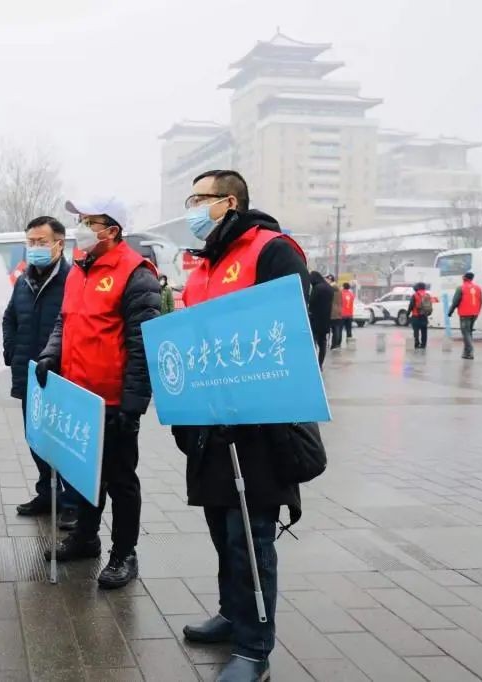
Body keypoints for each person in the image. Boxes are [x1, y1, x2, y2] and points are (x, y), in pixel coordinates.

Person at [171, 170, 309, 682]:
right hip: (209, 424)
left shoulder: (271, 250)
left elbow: (296, 332)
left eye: (198, 199)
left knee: (248, 538)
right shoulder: (205, 264)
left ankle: (255, 649)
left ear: (229, 202)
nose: (190, 208)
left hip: (258, 429)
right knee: (219, 530)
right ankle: (233, 614)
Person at [37, 196, 160, 590]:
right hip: (78, 397)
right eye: (81, 220)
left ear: (113, 229)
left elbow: (143, 345)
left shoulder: (135, 273)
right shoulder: (79, 270)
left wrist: (134, 403)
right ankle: (86, 538)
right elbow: (64, 322)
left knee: (121, 480)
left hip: (114, 401)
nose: (82, 228)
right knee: (83, 474)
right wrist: (50, 354)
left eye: (91, 221)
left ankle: (124, 553)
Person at [3, 216, 78, 530]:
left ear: (59, 244)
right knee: (37, 439)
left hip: (62, 375)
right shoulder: (23, 280)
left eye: (41, 242)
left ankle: (72, 502)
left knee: (65, 442)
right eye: (30, 242)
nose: (34, 247)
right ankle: (46, 493)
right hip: (29, 374)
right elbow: (9, 318)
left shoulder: (75, 279)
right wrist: (12, 352)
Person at [448, 271, 482, 360]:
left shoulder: (461, 288)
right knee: (469, 332)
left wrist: (450, 312)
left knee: (465, 333)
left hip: (465, 313)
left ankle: (470, 352)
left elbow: (455, 302)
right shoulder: (478, 288)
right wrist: (477, 311)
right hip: (475, 313)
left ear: (464, 278)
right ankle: (465, 353)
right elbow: (481, 301)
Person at [307, 272, 334, 369]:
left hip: (315, 319)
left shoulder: (317, 288)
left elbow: (311, 301)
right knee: (323, 342)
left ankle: (313, 363)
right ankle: (320, 364)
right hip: (326, 320)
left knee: (313, 341)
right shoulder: (329, 288)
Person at [407, 282, 431, 349]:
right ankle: (423, 345)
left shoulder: (415, 295)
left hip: (416, 316)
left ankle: (417, 343)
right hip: (424, 316)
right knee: (424, 331)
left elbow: (411, 306)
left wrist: (407, 314)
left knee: (416, 331)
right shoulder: (427, 295)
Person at [328, 275, 343, 349]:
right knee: (337, 328)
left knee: (334, 329)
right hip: (338, 311)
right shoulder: (339, 289)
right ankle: (337, 343)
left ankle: (334, 344)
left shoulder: (331, 288)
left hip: (333, 311)